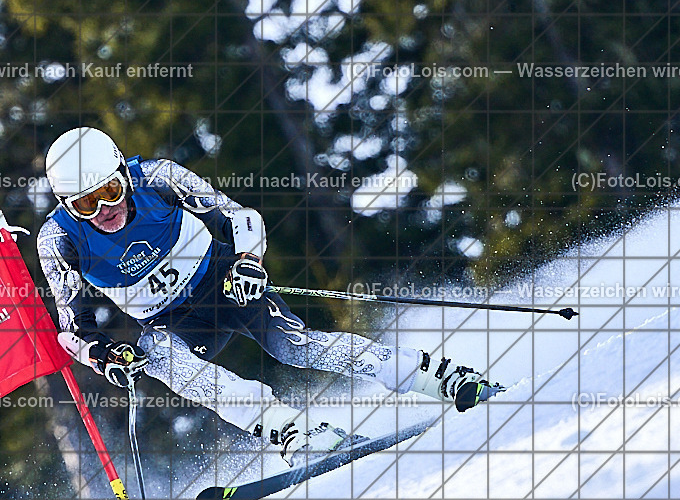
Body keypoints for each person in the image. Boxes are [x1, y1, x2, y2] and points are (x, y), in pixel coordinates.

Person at [37, 127, 503, 466]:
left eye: (111, 191)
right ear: (67, 206)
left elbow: (239, 217)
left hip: (222, 281)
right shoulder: (59, 240)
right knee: (161, 360)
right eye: (85, 204)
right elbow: (72, 329)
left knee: (290, 345)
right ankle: (288, 429)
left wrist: (247, 261)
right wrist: (104, 355)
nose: (105, 210)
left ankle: (436, 377)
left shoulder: (158, 178)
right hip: (169, 320)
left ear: (123, 172)